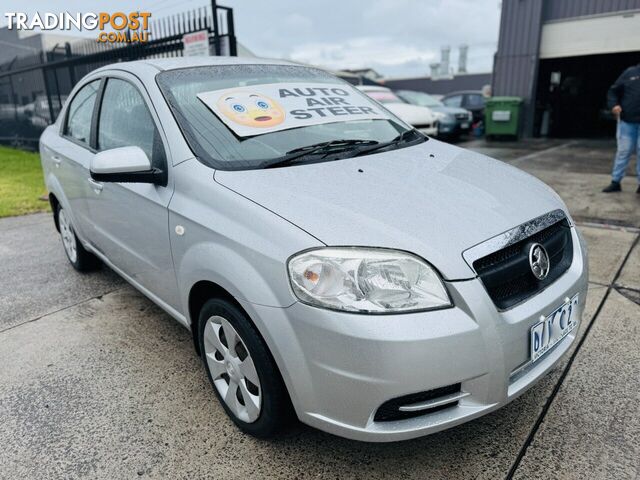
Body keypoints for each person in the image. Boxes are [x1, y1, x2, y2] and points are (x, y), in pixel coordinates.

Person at [603, 63, 640, 193]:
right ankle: (615, 182)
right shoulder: (630, 72)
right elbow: (613, 91)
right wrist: (613, 105)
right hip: (627, 121)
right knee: (623, 152)